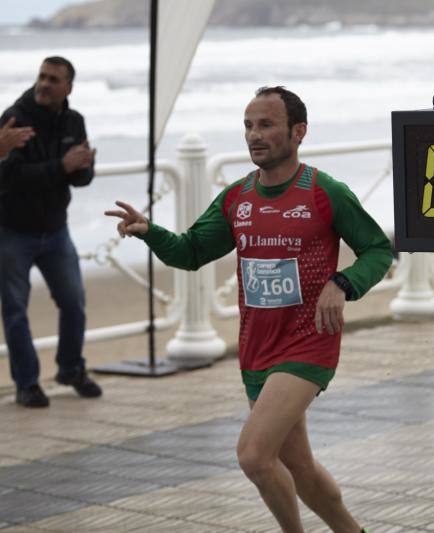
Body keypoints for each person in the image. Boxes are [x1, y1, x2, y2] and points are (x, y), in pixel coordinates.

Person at [106, 86, 391, 533]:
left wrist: (343, 282)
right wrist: (150, 232)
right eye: (248, 125)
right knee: (301, 468)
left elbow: (378, 249)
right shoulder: (237, 197)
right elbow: (192, 251)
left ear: (299, 132)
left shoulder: (323, 192)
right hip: (257, 346)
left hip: (308, 342)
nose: (254, 136)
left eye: (266, 125)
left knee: (255, 455)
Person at [0, 56, 102, 408]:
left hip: (56, 229)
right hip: (12, 231)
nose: (44, 83)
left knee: (74, 301)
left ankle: (71, 369)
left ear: (68, 87)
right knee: (15, 310)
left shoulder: (74, 120)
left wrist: (83, 166)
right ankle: (27, 384)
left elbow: (80, 178)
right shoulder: (14, 118)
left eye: (54, 79)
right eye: (42, 76)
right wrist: (62, 166)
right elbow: (11, 178)